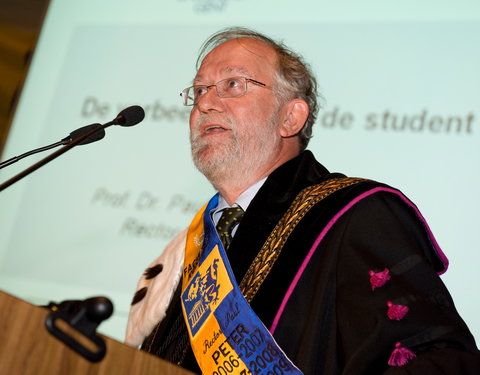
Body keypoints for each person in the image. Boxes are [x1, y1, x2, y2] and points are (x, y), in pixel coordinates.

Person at [125, 27, 480, 374]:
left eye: (232, 84)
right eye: (200, 89)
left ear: (290, 117)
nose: (205, 102)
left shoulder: (355, 215)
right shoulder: (185, 250)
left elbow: (429, 357)